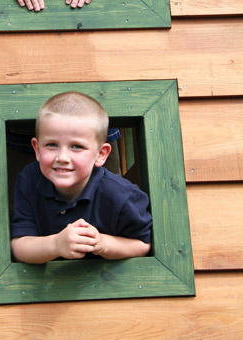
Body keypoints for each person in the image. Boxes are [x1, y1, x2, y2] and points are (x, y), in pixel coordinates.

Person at [10, 92, 152, 264]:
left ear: (101, 154)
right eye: (51, 145)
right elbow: (19, 247)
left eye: (77, 146)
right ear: (37, 149)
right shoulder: (29, 180)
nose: (62, 157)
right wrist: (56, 244)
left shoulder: (120, 195)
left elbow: (143, 244)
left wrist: (103, 243)